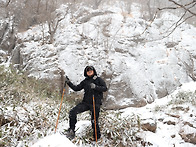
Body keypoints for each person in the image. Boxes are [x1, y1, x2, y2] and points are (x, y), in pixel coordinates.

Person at [64, 66, 107, 140]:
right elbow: (76, 88)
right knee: (72, 112)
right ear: (86, 72)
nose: (89, 72)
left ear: (93, 71)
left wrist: (95, 87)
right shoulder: (85, 81)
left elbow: (105, 88)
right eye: (88, 71)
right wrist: (68, 83)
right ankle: (71, 131)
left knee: (94, 121)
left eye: (91, 70)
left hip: (95, 103)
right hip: (86, 103)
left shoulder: (98, 80)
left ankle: (96, 137)